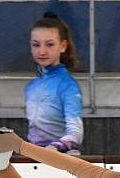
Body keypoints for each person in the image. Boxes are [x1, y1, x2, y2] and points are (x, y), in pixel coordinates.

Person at [25, 13, 83, 155]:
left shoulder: (68, 85)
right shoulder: (31, 87)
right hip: (36, 160)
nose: (42, 51)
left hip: (63, 161)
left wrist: (55, 147)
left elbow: (76, 133)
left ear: (63, 46)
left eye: (50, 44)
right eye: (36, 45)